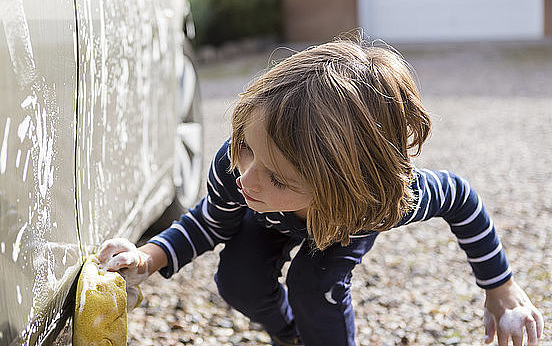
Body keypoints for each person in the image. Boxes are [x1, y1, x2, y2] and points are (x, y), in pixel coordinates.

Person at [97, 38, 544, 346]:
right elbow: (208, 223)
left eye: (276, 176)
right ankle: (288, 333)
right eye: (246, 147)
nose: (247, 177)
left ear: (344, 186)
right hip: (268, 219)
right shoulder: (237, 166)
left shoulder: (378, 201)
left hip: (338, 225)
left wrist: (499, 287)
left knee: (315, 287)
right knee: (237, 280)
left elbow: (462, 200)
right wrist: (149, 257)